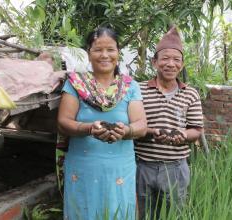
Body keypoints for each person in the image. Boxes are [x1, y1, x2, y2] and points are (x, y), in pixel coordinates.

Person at [57, 26, 147, 220]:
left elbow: (141, 125)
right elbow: (63, 122)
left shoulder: (130, 86)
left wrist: (126, 130)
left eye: (110, 49)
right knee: (83, 211)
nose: (104, 55)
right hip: (83, 167)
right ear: (88, 54)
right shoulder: (76, 84)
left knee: (119, 213)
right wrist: (89, 128)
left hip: (120, 168)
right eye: (98, 50)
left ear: (118, 53)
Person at [135, 26, 204, 219]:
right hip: (143, 165)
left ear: (181, 65)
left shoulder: (190, 93)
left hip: (175, 167)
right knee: (142, 213)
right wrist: (152, 131)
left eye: (176, 60)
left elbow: (196, 130)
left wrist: (182, 135)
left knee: (173, 213)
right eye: (165, 58)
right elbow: (132, 125)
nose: (170, 64)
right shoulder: (138, 90)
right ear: (154, 62)